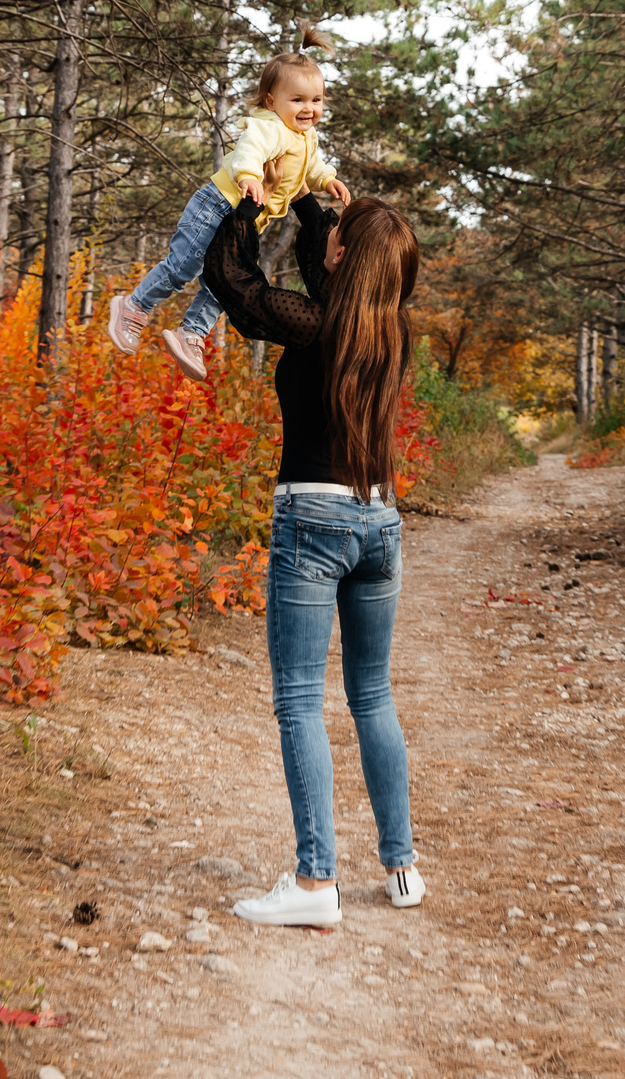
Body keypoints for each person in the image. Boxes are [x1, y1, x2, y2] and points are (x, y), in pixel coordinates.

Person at [199, 177, 423, 927]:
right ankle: (401, 868)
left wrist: (242, 202)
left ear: (341, 256)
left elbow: (235, 283)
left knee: (299, 698)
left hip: (312, 520)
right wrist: (304, 197)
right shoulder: (392, 330)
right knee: (372, 695)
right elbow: (329, 279)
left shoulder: (315, 325)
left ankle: (315, 882)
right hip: (380, 522)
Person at [105, 33, 352, 382]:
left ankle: (191, 334)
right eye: (297, 99)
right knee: (183, 267)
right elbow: (251, 148)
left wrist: (328, 180)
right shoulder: (271, 127)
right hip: (218, 205)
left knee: (223, 282)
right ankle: (134, 305)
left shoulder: (306, 137)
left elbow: (312, 168)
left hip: (246, 221)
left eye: (316, 100)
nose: (309, 109)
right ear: (271, 100)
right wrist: (250, 176)